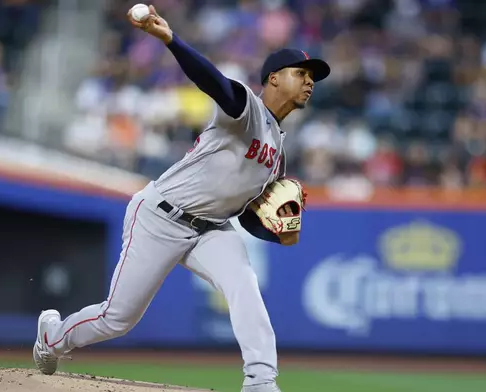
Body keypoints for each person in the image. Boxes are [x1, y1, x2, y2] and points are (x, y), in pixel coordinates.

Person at [32, 6, 330, 392]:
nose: (309, 83)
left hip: (211, 230)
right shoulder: (246, 108)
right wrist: (170, 40)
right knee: (118, 319)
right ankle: (53, 336)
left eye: (312, 78)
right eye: (301, 74)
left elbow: (248, 216)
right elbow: (213, 82)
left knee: (243, 283)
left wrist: (281, 232)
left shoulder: (278, 153)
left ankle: (260, 381)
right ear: (273, 78)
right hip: (160, 216)